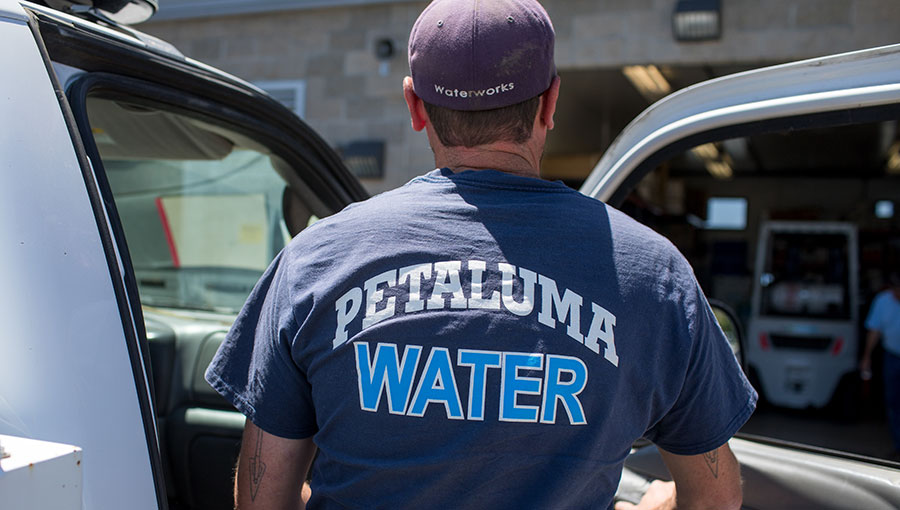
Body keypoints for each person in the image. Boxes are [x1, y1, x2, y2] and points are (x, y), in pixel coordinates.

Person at [205, 0, 757, 508]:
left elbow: (261, 499)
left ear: (415, 106)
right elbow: (715, 498)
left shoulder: (316, 261)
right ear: (550, 103)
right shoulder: (653, 276)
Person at [860, 272, 900, 459]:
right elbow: (874, 330)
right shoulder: (883, 301)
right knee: (893, 402)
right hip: (892, 356)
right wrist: (867, 356)